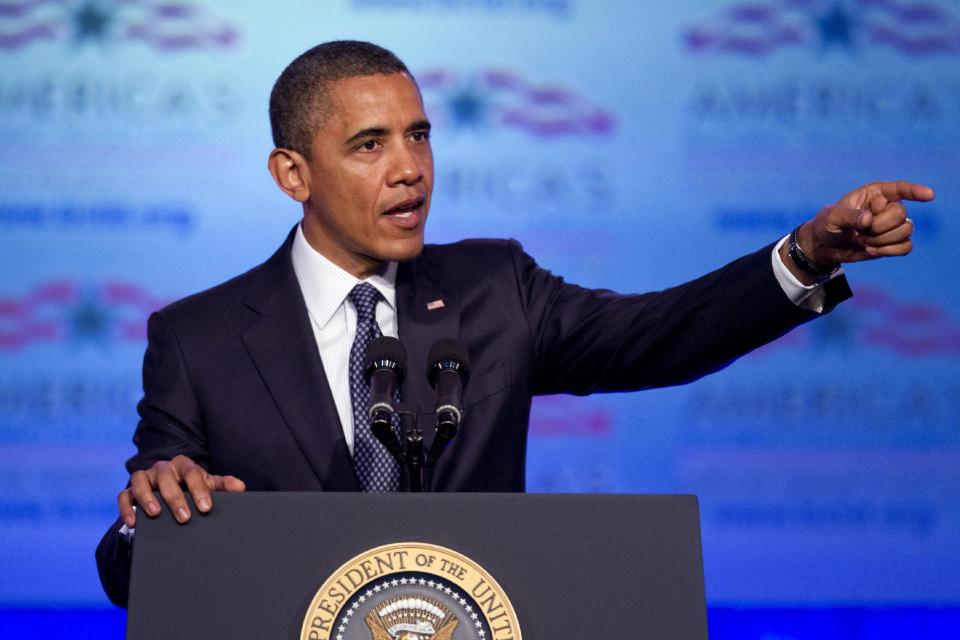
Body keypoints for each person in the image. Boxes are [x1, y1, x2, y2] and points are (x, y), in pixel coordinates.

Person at [95, 40, 934, 606]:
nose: (411, 170)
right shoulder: (198, 338)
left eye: (419, 136)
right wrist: (150, 517)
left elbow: (663, 333)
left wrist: (806, 255)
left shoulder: (495, 288)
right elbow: (133, 561)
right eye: (370, 145)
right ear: (292, 172)